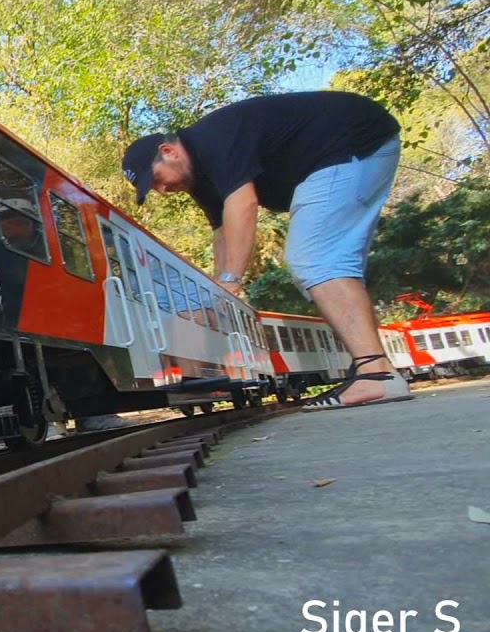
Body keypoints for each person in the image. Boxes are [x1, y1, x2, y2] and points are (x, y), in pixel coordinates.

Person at [121, 90, 413, 410]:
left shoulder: (211, 141)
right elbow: (222, 231)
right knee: (332, 265)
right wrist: (218, 295)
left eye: (158, 179)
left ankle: (376, 375)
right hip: (353, 149)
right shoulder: (202, 179)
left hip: (351, 143)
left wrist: (232, 279)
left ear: (169, 151)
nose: (162, 191)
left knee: (315, 258)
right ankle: (376, 370)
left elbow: (244, 205)